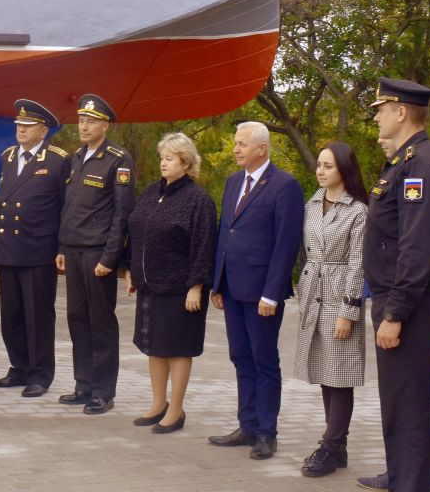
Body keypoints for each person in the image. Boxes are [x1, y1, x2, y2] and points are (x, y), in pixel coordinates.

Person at [358, 78, 430, 492]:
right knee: (399, 402)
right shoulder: (404, 162)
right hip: (396, 299)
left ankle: (412, 483)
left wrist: (395, 313)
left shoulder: (419, 166)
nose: (376, 116)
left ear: (401, 112)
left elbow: (416, 249)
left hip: (408, 307)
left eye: (381, 108)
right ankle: (401, 476)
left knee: (412, 405)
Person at [208, 121, 304, 460]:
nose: (235, 149)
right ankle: (247, 425)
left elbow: (286, 244)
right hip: (232, 288)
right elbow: (225, 233)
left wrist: (272, 293)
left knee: (264, 360)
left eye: (241, 144)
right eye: (235, 143)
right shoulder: (234, 182)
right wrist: (216, 283)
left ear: (261, 148)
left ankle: (266, 432)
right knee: (240, 357)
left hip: (262, 292)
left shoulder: (284, 185)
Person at [126, 132, 217, 434]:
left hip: (181, 289)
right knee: (154, 346)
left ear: (186, 163)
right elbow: (137, 231)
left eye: (170, 158)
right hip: (151, 285)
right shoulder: (153, 192)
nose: (163, 163)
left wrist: (197, 285)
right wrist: (132, 271)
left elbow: (204, 245)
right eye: (162, 157)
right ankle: (158, 403)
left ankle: (176, 410)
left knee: (177, 349)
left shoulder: (198, 200)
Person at [56, 94, 135, 415]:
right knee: (77, 319)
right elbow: (70, 207)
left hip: (97, 255)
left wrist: (110, 258)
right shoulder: (75, 157)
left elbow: (122, 214)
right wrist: (62, 247)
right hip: (73, 250)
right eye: (81, 121)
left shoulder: (118, 159)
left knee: (100, 322)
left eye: (90, 121)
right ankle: (83, 385)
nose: (84, 126)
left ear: (104, 124)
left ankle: (103, 391)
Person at [294, 141, 369, 477]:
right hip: (313, 291)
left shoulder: (358, 211)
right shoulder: (311, 205)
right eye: (319, 165)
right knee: (326, 372)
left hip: (340, 293)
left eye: (328, 166)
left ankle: (329, 445)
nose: (320, 171)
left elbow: (358, 263)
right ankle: (338, 446)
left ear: (344, 170)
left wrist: (347, 311)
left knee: (340, 375)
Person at [0, 99, 71, 398]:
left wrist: (62, 246)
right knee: (11, 314)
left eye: (27, 126)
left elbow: (66, 208)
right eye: (18, 126)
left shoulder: (58, 161)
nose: (21, 130)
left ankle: (40, 373)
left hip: (39, 249)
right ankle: (19, 367)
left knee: (38, 315)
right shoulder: (9, 157)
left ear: (44, 130)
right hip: (10, 247)